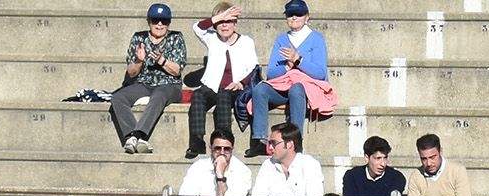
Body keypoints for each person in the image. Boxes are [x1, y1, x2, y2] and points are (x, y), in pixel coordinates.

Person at [250, 0, 328, 155]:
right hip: (281, 87)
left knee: (297, 88)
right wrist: (287, 67)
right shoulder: (281, 40)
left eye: (298, 14)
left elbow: (320, 73)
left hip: (304, 90)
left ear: (307, 17)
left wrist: (298, 61)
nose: (294, 18)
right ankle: (259, 140)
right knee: (260, 89)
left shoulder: (316, 39)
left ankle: (295, 141)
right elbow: (271, 73)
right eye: (290, 14)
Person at [185, 3, 258, 160]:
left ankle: (224, 141)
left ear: (235, 23)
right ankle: (197, 142)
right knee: (198, 95)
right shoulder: (211, 38)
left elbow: (253, 67)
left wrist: (241, 83)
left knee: (224, 96)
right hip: (212, 86)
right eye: (220, 22)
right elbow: (197, 27)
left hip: (235, 88)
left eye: (229, 21)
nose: (224, 25)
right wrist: (219, 17)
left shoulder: (246, 41)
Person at [111, 4, 187, 154]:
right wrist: (139, 61)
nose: (159, 24)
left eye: (164, 21)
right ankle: (131, 137)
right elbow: (131, 73)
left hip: (170, 84)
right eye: (155, 20)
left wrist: (162, 61)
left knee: (159, 95)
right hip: (144, 83)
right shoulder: (139, 38)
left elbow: (177, 70)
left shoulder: (176, 37)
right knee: (118, 97)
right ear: (149, 21)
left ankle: (139, 135)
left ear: (168, 23)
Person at [341, 135, 406, 196]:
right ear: (367, 158)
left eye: (385, 158)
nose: (383, 163)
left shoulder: (397, 178)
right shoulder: (352, 176)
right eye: (378, 158)